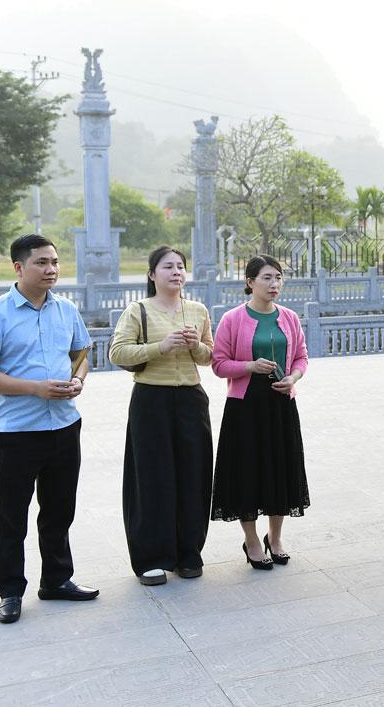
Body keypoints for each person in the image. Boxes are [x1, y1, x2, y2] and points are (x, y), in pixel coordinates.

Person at [0, 235, 99, 624]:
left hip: (65, 425)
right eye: (41, 262)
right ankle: (10, 591)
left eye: (55, 262)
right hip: (16, 432)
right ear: (19, 267)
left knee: (59, 510)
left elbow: (81, 355)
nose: (51, 269)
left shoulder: (66, 310)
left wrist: (78, 380)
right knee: (12, 516)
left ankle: (56, 580)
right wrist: (36, 388)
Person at [108, 246, 214, 586]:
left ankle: (188, 553)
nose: (176, 272)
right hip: (151, 399)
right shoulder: (137, 310)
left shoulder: (197, 310)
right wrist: (161, 347)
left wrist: (196, 346)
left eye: (181, 266)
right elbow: (117, 352)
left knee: (194, 475)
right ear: (152, 275)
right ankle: (151, 558)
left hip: (192, 400)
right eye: (168, 267)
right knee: (152, 478)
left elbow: (210, 357)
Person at [211, 255, 310, 570]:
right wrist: (250, 366)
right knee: (248, 472)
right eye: (267, 278)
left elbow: (302, 357)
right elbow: (218, 364)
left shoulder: (289, 317)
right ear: (250, 282)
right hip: (245, 407)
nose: (274, 284)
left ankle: (275, 537)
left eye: (278, 277)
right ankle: (252, 540)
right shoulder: (232, 319)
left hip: (281, 404)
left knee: (281, 470)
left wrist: (293, 378)